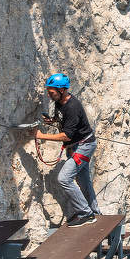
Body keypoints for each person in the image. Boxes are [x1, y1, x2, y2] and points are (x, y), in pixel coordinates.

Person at [35, 73, 99, 226]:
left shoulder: (72, 107)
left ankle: (85, 214)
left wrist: (41, 136)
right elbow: (63, 120)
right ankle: (94, 212)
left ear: (62, 90)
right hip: (78, 145)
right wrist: (52, 121)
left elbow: (66, 136)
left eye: (51, 92)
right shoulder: (59, 102)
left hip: (84, 145)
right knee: (83, 180)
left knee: (64, 178)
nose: (49, 95)